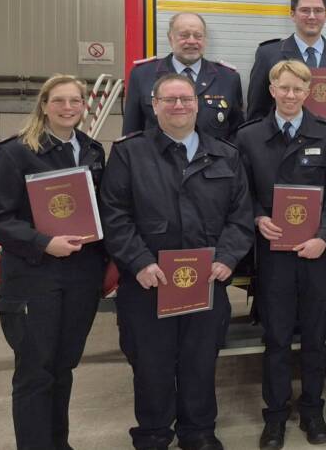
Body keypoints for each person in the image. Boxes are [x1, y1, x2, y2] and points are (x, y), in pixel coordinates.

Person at [101, 73, 255, 450]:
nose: (179, 106)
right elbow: (113, 215)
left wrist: (227, 259)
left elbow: (240, 216)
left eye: (185, 99)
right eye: (169, 100)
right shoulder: (128, 153)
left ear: (197, 103)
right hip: (147, 283)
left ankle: (198, 431)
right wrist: (138, 262)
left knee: (200, 361)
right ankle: (153, 434)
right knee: (151, 365)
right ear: (154, 106)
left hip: (206, 282)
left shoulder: (226, 155)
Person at [233, 60, 326, 448]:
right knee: (278, 337)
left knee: (316, 337)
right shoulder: (249, 138)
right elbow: (238, 193)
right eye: (283, 88)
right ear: (271, 90)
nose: (290, 95)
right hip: (273, 253)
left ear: (308, 92)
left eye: (298, 89)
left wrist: (325, 236)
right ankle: (276, 416)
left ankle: (313, 410)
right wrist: (256, 217)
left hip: (317, 252)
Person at [0, 74, 107, 450]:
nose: (68, 107)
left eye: (75, 101)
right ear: (43, 104)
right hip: (33, 275)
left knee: (63, 368)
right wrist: (44, 243)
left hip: (81, 276)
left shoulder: (92, 150)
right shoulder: (14, 152)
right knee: (35, 372)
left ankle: (59, 443)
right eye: (59, 100)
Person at [245, 0, 326, 125]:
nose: (312, 16)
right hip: (282, 143)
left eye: (318, 11)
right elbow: (257, 111)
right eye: (305, 10)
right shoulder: (268, 55)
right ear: (292, 15)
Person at [123, 12, 244, 140]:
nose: (192, 41)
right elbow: (132, 132)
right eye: (184, 35)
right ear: (171, 38)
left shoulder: (228, 78)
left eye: (198, 36)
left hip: (212, 158)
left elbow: (236, 133)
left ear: (205, 39)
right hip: (157, 159)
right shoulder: (142, 75)